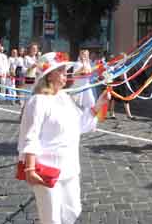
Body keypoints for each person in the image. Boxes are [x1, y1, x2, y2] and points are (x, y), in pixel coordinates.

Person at [17, 52, 108, 224]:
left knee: (73, 211)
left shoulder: (65, 97)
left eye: (65, 70)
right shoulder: (38, 101)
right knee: (51, 219)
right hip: (46, 169)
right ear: (49, 75)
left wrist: (99, 104)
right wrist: (30, 169)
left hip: (70, 167)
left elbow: (79, 124)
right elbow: (31, 136)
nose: (65, 73)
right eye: (60, 70)